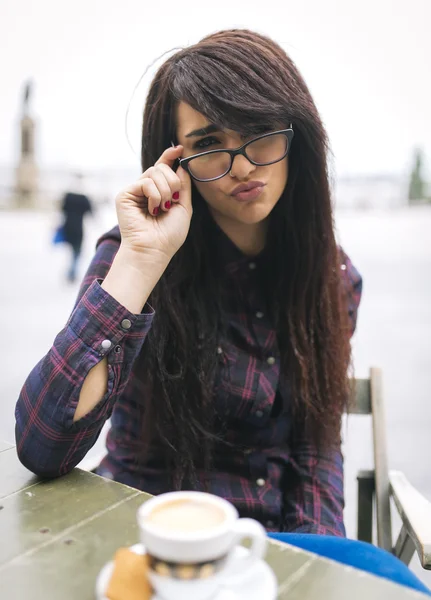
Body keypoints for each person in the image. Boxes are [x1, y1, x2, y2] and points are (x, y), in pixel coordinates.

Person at [15, 29, 429, 595]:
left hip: (271, 550)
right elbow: (43, 443)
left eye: (260, 134)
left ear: (296, 136)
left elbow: (314, 449)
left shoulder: (331, 279)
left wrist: (311, 568)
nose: (241, 164)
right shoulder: (136, 257)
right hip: (151, 546)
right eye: (211, 143)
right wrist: (142, 261)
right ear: (176, 159)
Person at [60, 173, 93, 282]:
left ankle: (71, 272)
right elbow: (91, 213)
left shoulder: (68, 196)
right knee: (77, 252)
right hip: (78, 229)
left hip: (68, 227)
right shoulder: (84, 198)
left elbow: (62, 210)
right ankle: (72, 273)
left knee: (72, 251)